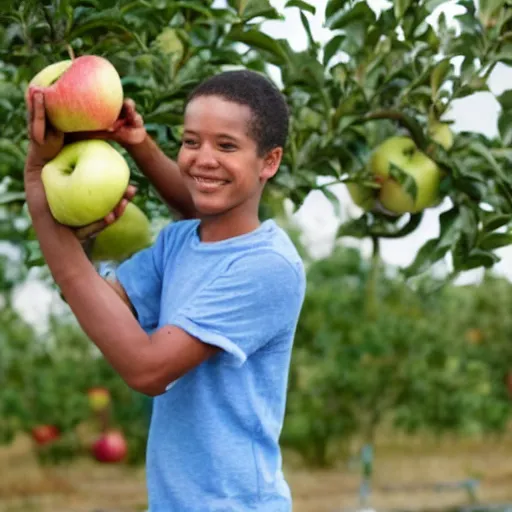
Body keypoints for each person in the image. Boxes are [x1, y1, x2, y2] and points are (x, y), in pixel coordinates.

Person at [24, 69, 306, 511]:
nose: (202, 158)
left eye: (226, 145)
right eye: (191, 141)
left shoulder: (267, 266)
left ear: (269, 161)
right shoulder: (180, 244)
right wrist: (77, 238)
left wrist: (39, 186)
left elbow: (147, 370)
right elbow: (99, 303)